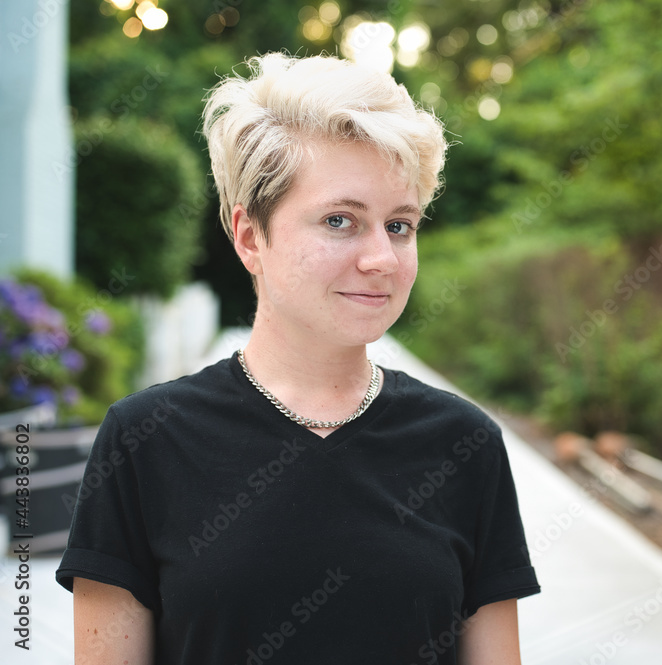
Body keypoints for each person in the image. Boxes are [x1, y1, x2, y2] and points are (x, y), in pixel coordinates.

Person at [55, 52, 540, 664]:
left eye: (400, 225)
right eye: (341, 220)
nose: (382, 259)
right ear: (250, 236)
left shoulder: (463, 444)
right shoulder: (145, 441)